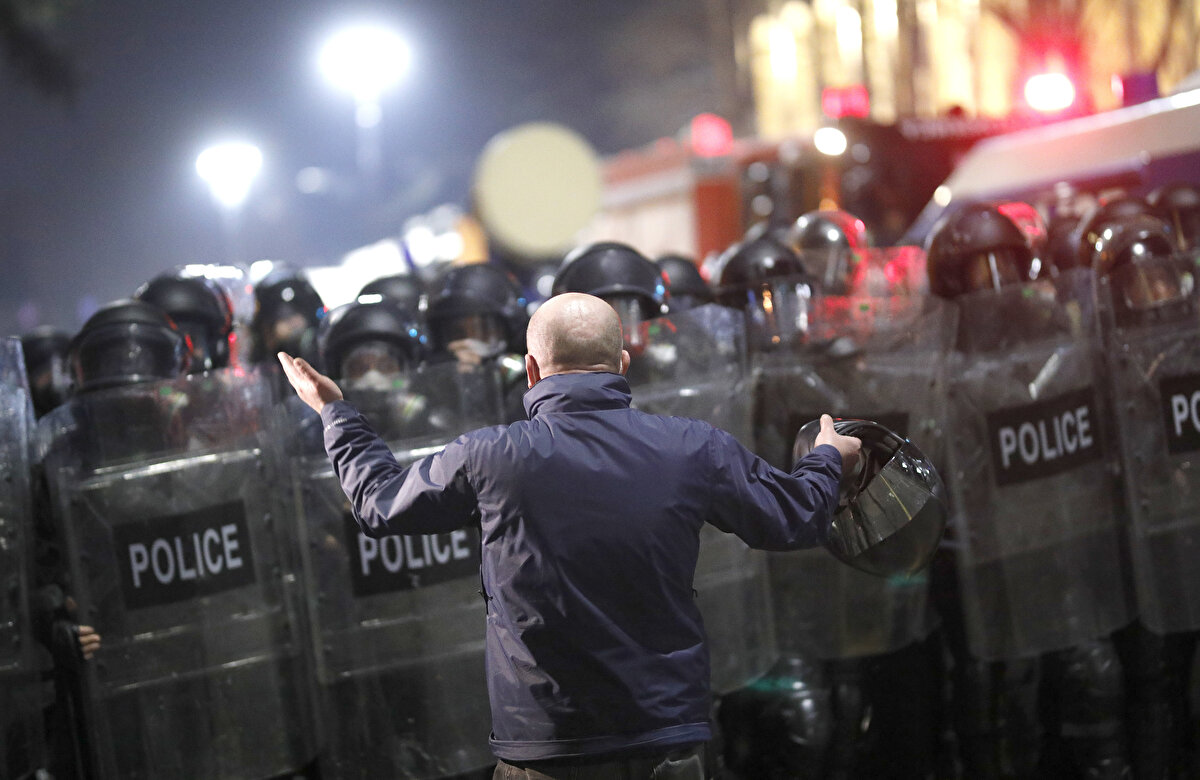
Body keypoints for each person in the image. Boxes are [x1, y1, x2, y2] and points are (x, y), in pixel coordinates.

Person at [278, 292, 861, 779]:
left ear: (532, 370)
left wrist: (335, 412)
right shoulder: (693, 447)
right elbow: (795, 517)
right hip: (666, 742)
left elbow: (379, 506)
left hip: (546, 749)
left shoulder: (489, 456)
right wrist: (827, 458)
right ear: (623, 363)